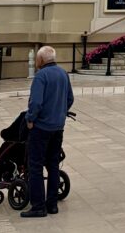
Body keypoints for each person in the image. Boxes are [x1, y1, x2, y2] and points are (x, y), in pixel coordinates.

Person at [21, 45, 74, 218]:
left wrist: (30, 119)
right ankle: (52, 205)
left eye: (37, 59)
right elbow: (70, 99)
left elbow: (36, 103)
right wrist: (59, 113)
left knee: (35, 166)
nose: (36, 62)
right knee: (52, 165)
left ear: (41, 60)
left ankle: (38, 207)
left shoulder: (40, 76)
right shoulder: (63, 74)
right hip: (58, 128)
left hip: (41, 128)